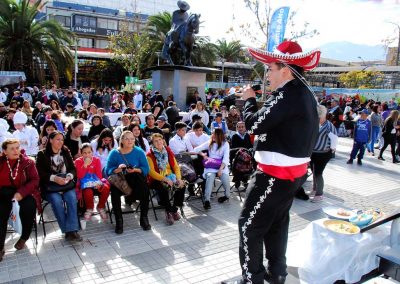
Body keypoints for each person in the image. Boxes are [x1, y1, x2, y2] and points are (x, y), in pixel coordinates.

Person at [222, 41, 320, 284]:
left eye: (270, 69)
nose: (267, 75)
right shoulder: (302, 92)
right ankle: (276, 274)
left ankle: (252, 278)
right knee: (276, 223)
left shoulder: (288, 93)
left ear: (285, 69)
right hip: (290, 175)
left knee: (248, 226)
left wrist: (249, 100)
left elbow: (253, 124)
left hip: (273, 176)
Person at [36, 131, 82, 241]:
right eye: (58, 139)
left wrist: (69, 176)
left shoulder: (65, 151)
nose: (60, 142)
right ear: (51, 140)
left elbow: (72, 168)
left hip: (66, 184)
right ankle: (69, 230)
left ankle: (71, 230)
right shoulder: (42, 154)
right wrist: (54, 178)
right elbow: (40, 173)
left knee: (71, 198)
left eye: (62, 139)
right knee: (57, 201)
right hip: (51, 187)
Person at [0, 139, 41, 261]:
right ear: (4, 151)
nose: (16, 150)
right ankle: (0, 246)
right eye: (12, 148)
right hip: (3, 193)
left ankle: (24, 237)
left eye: (17, 147)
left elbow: (35, 180)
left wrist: (21, 193)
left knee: (29, 207)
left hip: (23, 191)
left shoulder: (28, 162)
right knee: (0, 212)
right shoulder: (1, 162)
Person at [105, 131, 151, 233]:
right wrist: (116, 169)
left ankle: (144, 218)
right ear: (121, 140)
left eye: (132, 138)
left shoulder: (138, 151)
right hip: (121, 182)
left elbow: (146, 169)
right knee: (114, 192)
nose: (130, 141)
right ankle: (119, 220)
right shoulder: (114, 153)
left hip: (136, 180)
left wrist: (135, 170)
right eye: (127, 139)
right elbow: (107, 170)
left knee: (145, 190)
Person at [147, 133, 185, 225]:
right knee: (163, 187)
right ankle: (168, 211)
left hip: (171, 176)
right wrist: (165, 179)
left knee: (182, 186)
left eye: (160, 140)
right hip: (157, 179)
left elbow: (176, 167)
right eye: (156, 141)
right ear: (152, 143)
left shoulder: (168, 151)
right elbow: (151, 172)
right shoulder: (149, 155)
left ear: (163, 141)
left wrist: (179, 178)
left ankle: (174, 209)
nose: (158, 142)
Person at [194, 128, 230, 209]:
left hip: (221, 166)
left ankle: (226, 196)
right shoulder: (210, 143)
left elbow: (226, 159)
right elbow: (196, 149)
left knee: (226, 181)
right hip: (211, 166)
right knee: (210, 177)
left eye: (214, 134)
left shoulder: (225, 144)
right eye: (212, 133)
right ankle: (207, 200)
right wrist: (203, 155)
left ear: (219, 135)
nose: (212, 135)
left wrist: (220, 169)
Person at [74, 143, 110, 221]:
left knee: (106, 188)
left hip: (95, 182)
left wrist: (98, 183)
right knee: (88, 192)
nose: (87, 155)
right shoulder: (78, 161)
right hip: (84, 184)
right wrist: (85, 165)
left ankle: (100, 206)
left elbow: (99, 175)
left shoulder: (96, 160)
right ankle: (89, 208)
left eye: (89, 152)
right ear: (81, 153)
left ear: (92, 152)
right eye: (85, 153)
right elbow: (79, 176)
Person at [309, 105, 338, 202]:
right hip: (314, 152)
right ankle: (314, 189)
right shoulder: (317, 124)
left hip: (323, 153)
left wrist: (333, 148)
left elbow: (334, 138)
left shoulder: (328, 126)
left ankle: (319, 194)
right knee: (313, 171)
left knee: (318, 173)